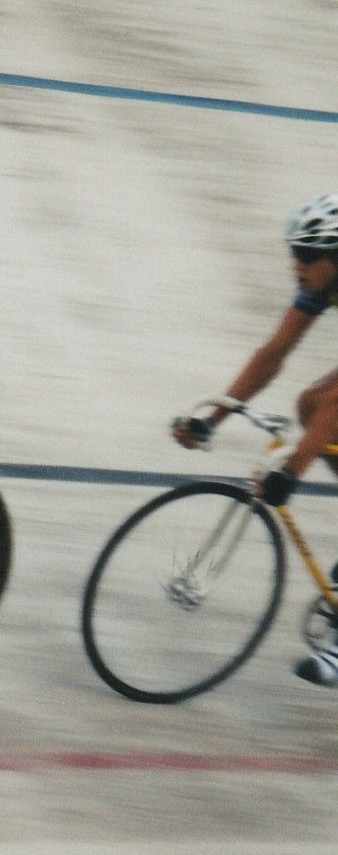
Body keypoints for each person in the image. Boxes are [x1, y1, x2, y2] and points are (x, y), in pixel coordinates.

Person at [171, 192, 338, 687]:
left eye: (308, 255)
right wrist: (214, 418)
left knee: (329, 406)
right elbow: (273, 354)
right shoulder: (319, 285)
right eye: (295, 251)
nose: (297, 264)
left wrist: (291, 472)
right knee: (311, 404)